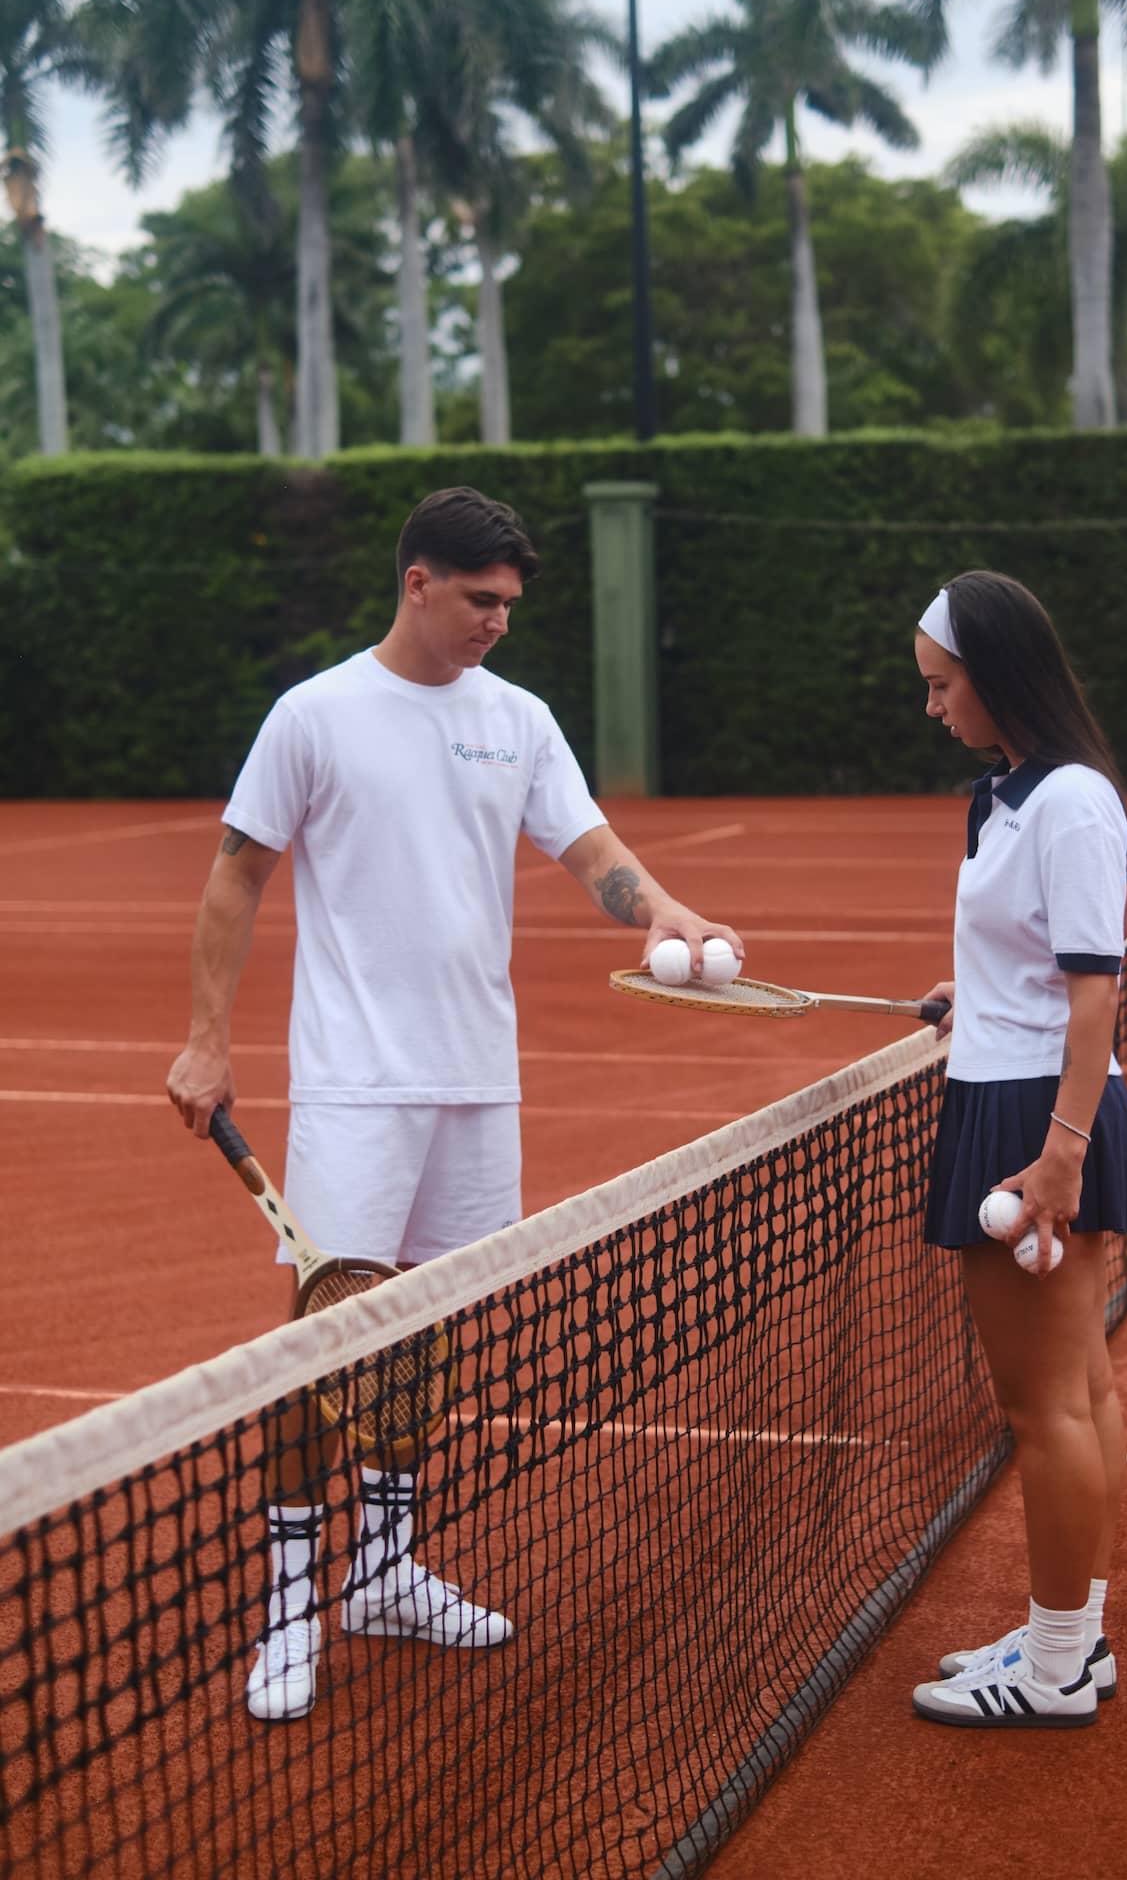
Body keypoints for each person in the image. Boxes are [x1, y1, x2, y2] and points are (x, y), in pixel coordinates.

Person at [166, 485, 744, 1722]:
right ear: (417, 580)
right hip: (359, 1082)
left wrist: (667, 912)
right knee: (324, 1337)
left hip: (479, 1079)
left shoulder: (517, 718)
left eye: (510, 605)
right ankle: (288, 1604)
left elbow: (593, 852)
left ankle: (382, 1570)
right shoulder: (313, 715)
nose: (496, 622)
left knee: (426, 1330)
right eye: (480, 600)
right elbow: (236, 875)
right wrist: (207, 1042)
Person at [908, 570, 1127, 1731]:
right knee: (1082, 1385)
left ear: (997, 676)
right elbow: (1121, 906)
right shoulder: (1005, 793)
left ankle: (1055, 1665)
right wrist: (992, 987)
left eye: (943, 684)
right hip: (1017, 1089)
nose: (934, 705)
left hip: (1034, 1119)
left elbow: (1100, 974)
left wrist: (1058, 1155)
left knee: (1045, 1402)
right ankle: (1074, 1635)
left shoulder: (1068, 799)